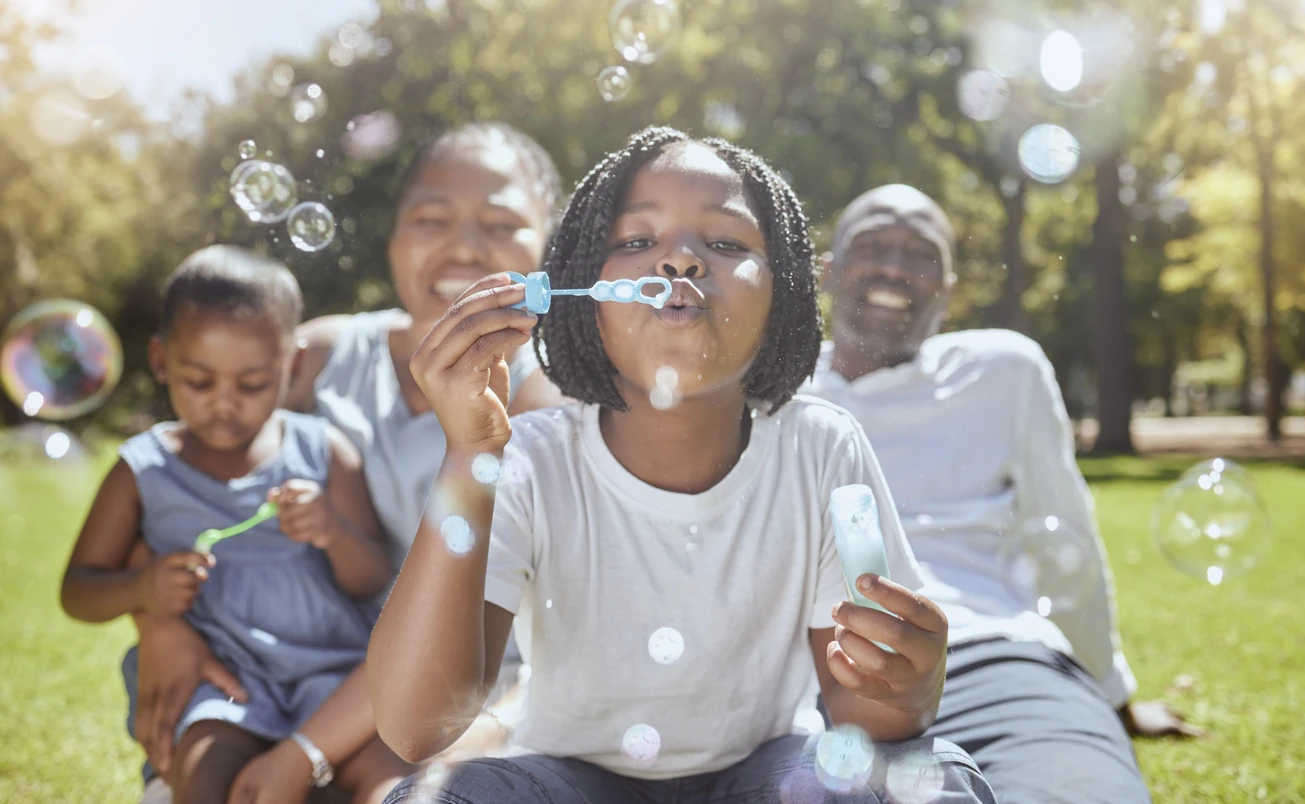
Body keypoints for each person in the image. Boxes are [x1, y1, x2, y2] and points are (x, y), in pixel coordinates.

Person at [368, 127, 998, 803]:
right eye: (637, 241)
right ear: (581, 288)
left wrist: (907, 687)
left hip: (769, 777)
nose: (679, 262)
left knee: (920, 781)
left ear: (783, 293)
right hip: (570, 782)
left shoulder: (820, 449)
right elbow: (415, 728)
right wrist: (469, 453)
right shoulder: (527, 459)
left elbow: (862, 718)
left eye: (725, 244)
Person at [125, 123, 566, 803]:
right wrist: (160, 625)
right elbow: (168, 482)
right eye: (430, 217)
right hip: (307, 677)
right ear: (392, 237)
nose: (463, 245)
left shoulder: (547, 412)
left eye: (501, 223)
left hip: (459, 700)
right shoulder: (324, 357)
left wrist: (303, 754)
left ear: (547, 254)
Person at [804, 184, 1202, 804]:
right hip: (810, 678)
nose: (892, 266)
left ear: (949, 289)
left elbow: (1066, 540)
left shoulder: (1004, 371)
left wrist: (1112, 693)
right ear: (827, 272)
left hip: (990, 662)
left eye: (920, 253)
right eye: (872, 245)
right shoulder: (772, 389)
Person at [60, 246, 410, 804]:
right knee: (203, 773)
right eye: (199, 381)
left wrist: (332, 531)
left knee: (388, 780)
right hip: (223, 685)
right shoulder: (144, 470)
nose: (225, 405)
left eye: (251, 385)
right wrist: (141, 589)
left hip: (334, 680)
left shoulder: (323, 452)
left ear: (292, 366)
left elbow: (371, 578)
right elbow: (78, 590)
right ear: (161, 361)